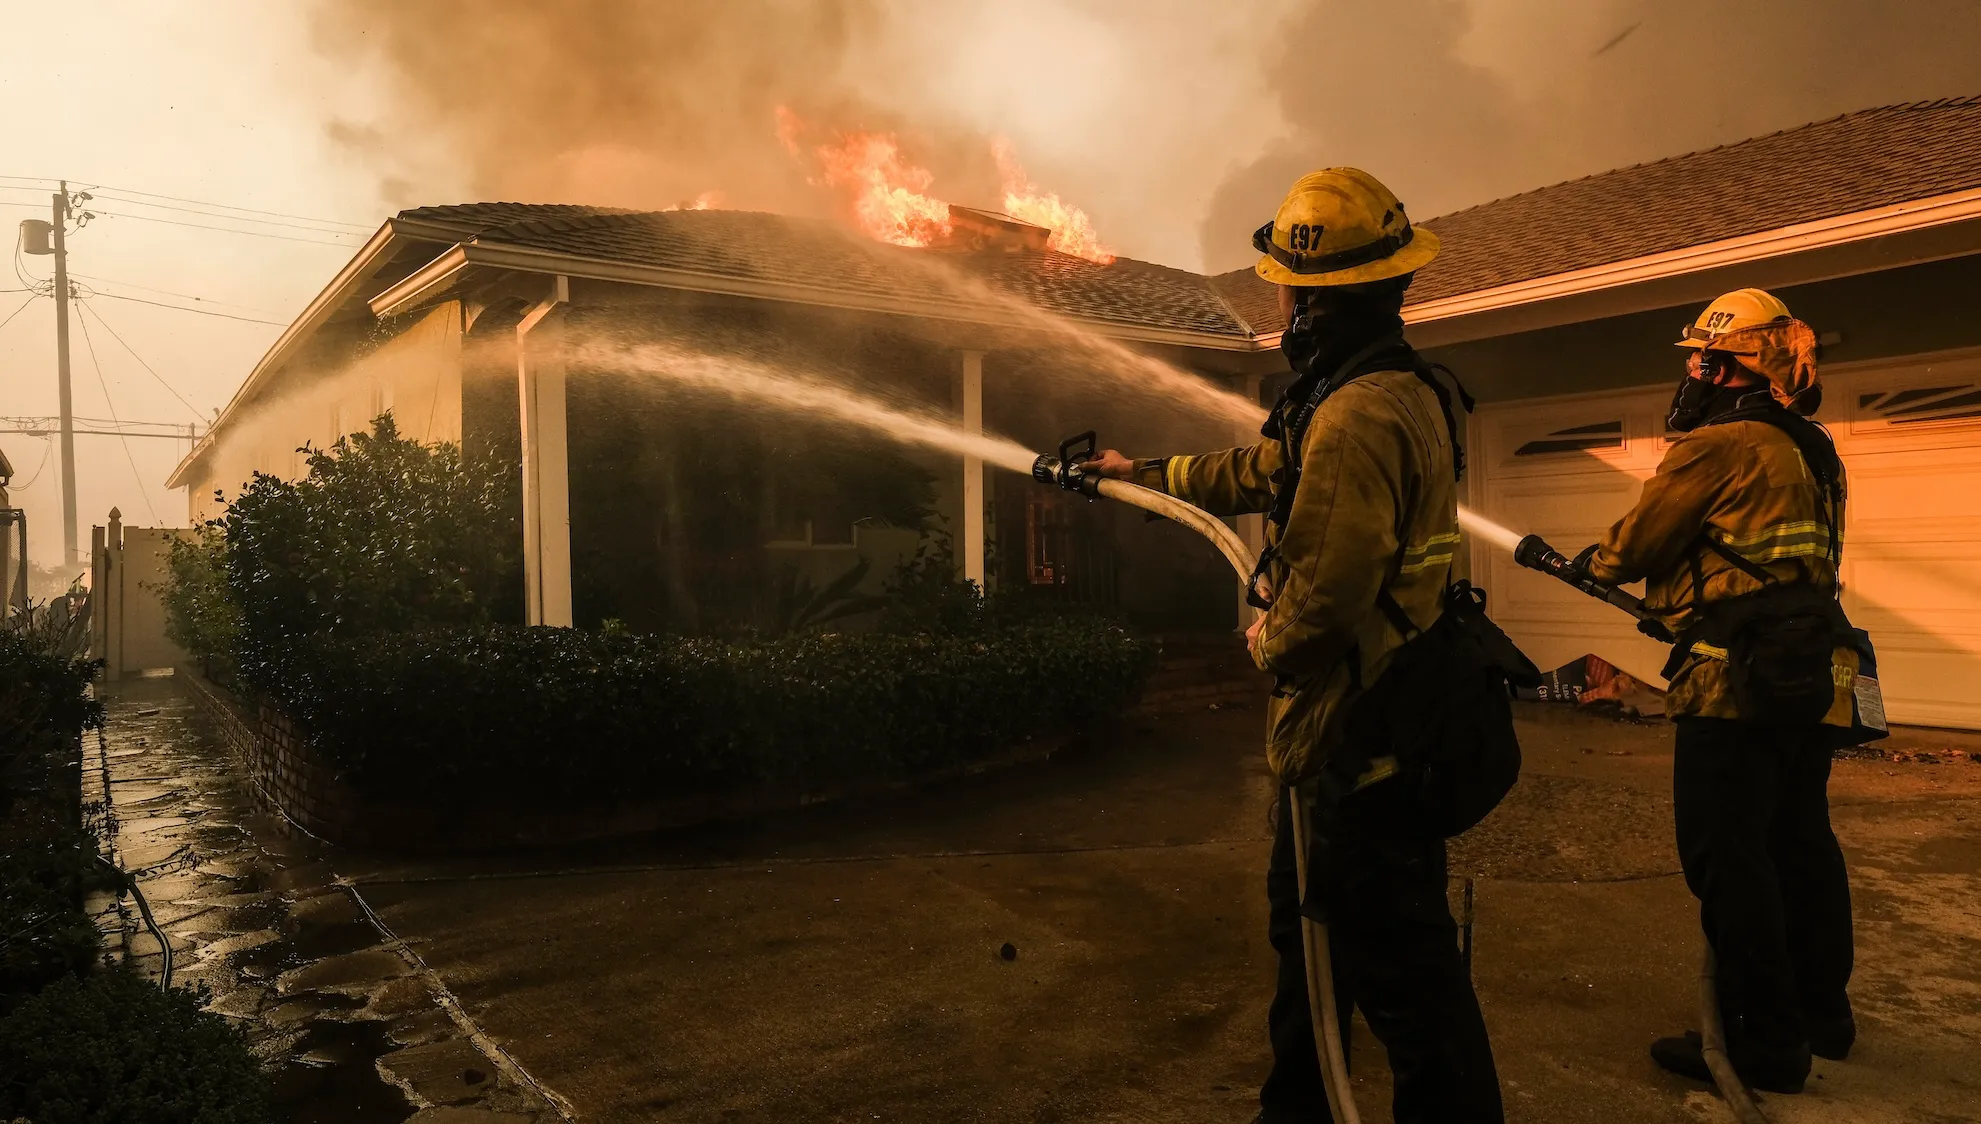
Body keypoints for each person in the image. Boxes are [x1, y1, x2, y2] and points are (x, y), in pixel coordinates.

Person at [1085, 167, 1503, 1124]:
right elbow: (1259, 467)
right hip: (1386, 715)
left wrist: (1267, 642)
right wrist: (1139, 473)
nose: (1275, 297)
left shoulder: (1355, 415)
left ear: (1312, 292)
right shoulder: (1382, 389)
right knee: (1316, 944)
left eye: (1283, 281)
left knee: (1398, 975)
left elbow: (1323, 596)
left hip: (1357, 737)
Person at [1564, 287, 1860, 1094]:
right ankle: (1820, 1017)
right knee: (1799, 843)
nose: (1691, 371)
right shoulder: (1811, 445)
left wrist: (1589, 562)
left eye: (1702, 356)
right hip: (1816, 668)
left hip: (1737, 679)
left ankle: (1760, 1044)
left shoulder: (1719, 443)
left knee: (1728, 856)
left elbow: (1633, 547)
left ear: (1731, 365)